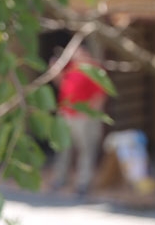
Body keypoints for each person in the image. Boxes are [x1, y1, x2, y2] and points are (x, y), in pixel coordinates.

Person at [49, 44, 107, 197]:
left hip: (83, 117)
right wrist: (55, 73)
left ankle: (83, 182)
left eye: (76, 52)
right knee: (63, 149)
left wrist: (92, 114)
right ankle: (60, 178)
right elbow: (64, 85)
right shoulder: (72, 68)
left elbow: (100, 95)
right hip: (66, 115)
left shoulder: (94, 70)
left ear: (85, 53)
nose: (74, 55)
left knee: (85, 150)